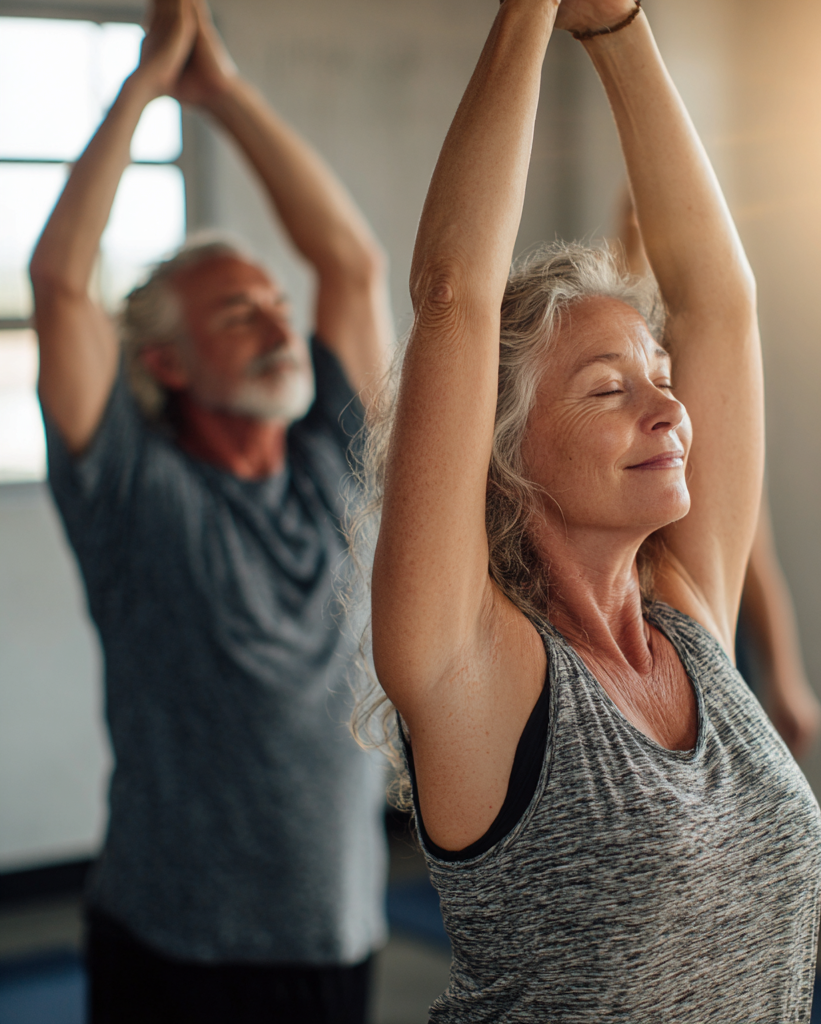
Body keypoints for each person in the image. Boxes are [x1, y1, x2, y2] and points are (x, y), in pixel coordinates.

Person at [368, 0, 821, 1020]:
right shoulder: (471, 668)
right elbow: (452, 294)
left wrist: (620, 25)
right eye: (610, 389)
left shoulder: (689, 612)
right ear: (503, 452)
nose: (669, 408)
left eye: (660, 376)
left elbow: (718, 301)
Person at [30, 1, 392, 1020]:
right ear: (164, 362)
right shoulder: (134, 494)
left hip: (335, 930)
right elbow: (59, 286)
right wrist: (145, 89)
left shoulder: (333, 462)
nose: (277, 322)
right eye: (238, 314)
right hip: (171, 945)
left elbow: (350, 268)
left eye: (274, 303)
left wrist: (225, 96)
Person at [615, 190, 821, 758]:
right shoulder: (630, 395)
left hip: (705, 631)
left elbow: (757, 555)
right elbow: (624, 296)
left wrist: (787, 675)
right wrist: (632, 225)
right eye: (611, 388)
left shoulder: (693, 424)